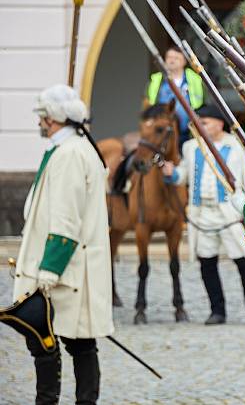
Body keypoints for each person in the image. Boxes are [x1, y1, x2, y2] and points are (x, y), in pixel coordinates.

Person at [13, 84, 113, 405]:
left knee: (67, 341)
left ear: (54, 119)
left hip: (67, 267)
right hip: (69, 264)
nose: (40, 123)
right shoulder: (70, 148)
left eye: (43, 116)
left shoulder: (70, 154)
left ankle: (56, 401)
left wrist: (50, 268)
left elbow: (66, 219)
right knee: (65, 339)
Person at [162, 104, 245, 325]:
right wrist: (172, 174)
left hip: (229, 214)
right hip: (202, 214)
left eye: (205, 122)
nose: (201, 125)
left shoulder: (237, 147)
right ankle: (217, 311)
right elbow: (184, 176)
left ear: (219, 123)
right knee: (207, 264)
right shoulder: (191, 147)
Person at [147, 46, 203, 147]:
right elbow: (148, 105)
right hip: (162, 133)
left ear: (184, 61)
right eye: (169, 57)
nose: (172, 61)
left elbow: (204, 105)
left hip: (189, 132)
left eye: (176, 58)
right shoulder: (156, 79)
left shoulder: (195, 79)